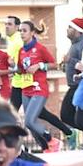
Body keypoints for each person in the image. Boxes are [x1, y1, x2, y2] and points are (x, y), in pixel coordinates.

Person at [16, 20, 58, 150]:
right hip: (26, 89)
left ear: (32, 32)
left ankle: (52, 140)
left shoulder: (40, 48)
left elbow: (53, 64)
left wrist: (39, 65)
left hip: (39, 89)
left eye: (24, 31)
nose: (22, 33)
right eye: (20, 31)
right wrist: (14, 68)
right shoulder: (21, 51)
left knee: (29, 120)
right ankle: (45, 147)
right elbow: (21, 69)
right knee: (29, 124)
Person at [60, 17, 83, 141]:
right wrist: (64, 65)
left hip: (80, 85)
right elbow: (72, 65)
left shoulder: (81, 45)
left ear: (77, 31)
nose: (67, 30)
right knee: (70, 116)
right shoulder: (74, 45)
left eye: (70, 27)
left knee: (66, 115)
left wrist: (69, 60)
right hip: (74, 85)